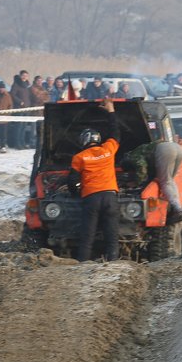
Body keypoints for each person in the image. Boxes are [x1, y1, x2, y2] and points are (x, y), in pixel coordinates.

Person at [70, 97, 121, 262]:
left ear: (83, 141)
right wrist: (111, 111)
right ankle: (113, 263)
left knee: (87, 235)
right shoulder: (108, 149)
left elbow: (72, 181)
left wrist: (75, 192)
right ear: (98, 139)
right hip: (110, 196)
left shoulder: (79, 157)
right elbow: (115, 132)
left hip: (91, 198)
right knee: (112, 235)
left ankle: (83, 264)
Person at [123, 139, 182, 223]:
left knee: (165, 182)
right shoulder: (143, 149)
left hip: (165, 150)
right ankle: (178, 208)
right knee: (170, 180)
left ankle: (177, 210)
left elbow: (141, 167)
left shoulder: (133, 156)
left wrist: (137, 182)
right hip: (177, 148)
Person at [0, 81, 12, 153]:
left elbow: (10, 105)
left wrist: (8, 115)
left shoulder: (7, 96)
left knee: (4, 132)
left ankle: (2, 146)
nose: (2, 89)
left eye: (3, 88)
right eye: (0, 88)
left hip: (4, 117)